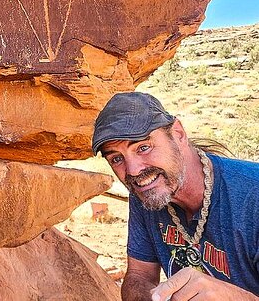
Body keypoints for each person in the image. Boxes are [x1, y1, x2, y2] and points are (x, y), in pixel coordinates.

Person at [92, 92, 259, 301]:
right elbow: (139, 276)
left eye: (143, 147)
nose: (133, 171)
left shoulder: (252, 196)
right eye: (116, 159)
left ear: (178, 134)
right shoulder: (147, 193)